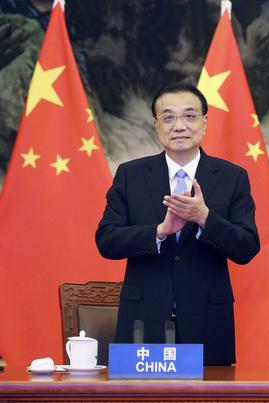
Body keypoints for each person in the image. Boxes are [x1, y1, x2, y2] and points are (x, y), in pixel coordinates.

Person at [96, 83, 260, 365]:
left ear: (205, 122)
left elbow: (246, 247)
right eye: (169, 117)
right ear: (156, 124)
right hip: (143, 318)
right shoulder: (130, 175)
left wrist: (204, 218)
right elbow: (107, 241)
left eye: (190, 116)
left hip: (208, 319)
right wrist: (159, 232)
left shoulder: (232, 176)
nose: (179, 125)